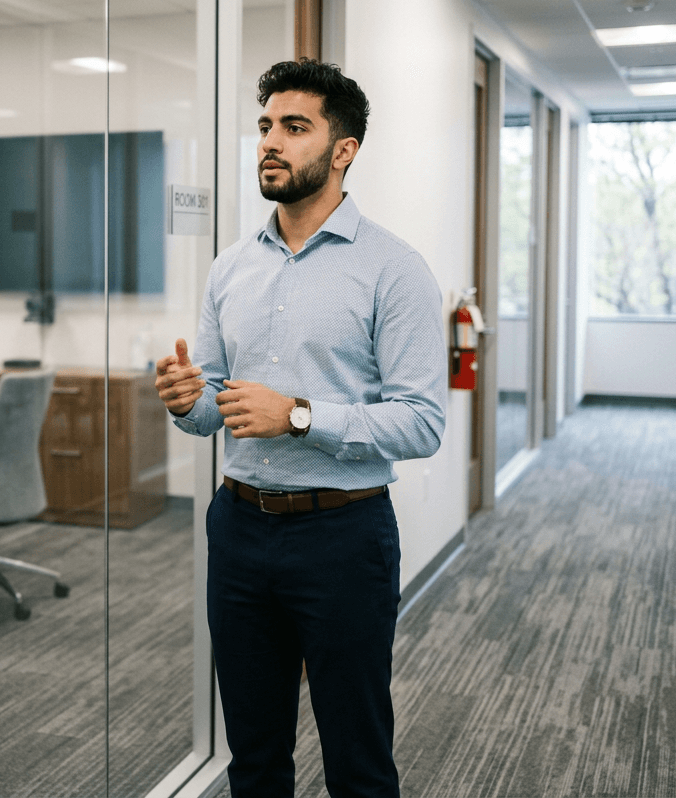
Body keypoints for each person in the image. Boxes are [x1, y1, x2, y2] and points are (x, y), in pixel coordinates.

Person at [155, 59, 446, 798]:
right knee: (252, 757)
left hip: (343, 539)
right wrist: (185, 399)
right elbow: (212, 408)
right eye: (264, 127)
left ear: (342, 150)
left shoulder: (393, 270)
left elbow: (421, 423)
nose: (269, 143)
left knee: (358, 759)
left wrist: (300, 416)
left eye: (293, 127)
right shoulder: (230, 269)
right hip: (241, 530)